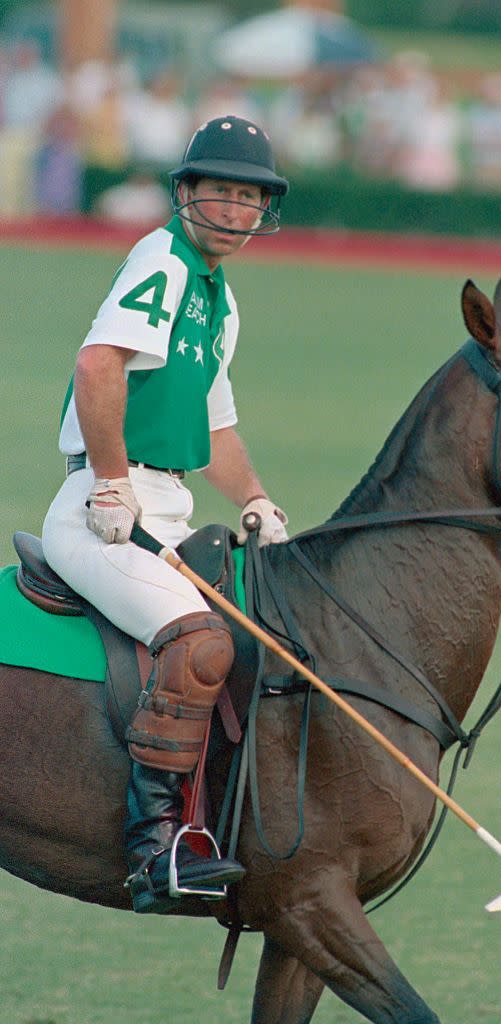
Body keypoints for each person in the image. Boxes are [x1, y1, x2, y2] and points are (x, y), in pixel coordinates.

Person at [41, 116, 290, 914]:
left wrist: (252, 496)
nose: (234, 208)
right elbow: (97, 363)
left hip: (168, 505)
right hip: (99, 507)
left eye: (250, 196)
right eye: (219, 189)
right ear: (185, 194)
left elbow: (213, 427)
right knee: (198, 639)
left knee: (260, 625)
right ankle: (155, 852)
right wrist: (111, 482)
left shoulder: (222, 301)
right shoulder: (164, 259)